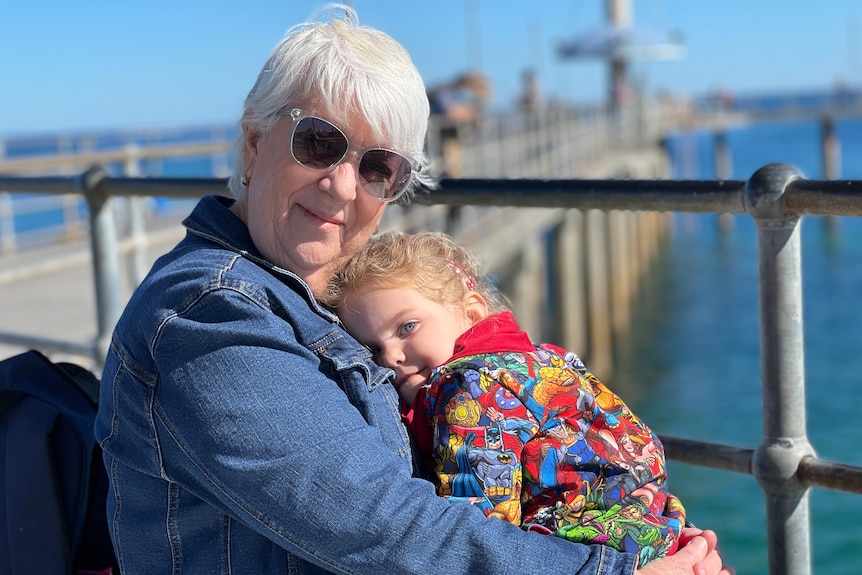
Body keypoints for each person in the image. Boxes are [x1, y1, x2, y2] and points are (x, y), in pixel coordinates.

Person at [94, 4, 731, 574]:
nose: (344, 187)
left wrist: (652, 542)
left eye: (379, 167)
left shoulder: (313, 300)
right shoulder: (209, 319)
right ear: (255, 142)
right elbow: (385, 529)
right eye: (320, 143)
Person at [323, 231, 686, 566]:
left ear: (472, 311)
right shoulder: (546, 358)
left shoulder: (467, 389)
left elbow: (477, 521)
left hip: (592, 549)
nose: (391, 357)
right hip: (653, 525)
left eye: (407, 327)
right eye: (373, 347)